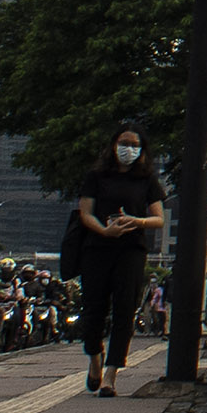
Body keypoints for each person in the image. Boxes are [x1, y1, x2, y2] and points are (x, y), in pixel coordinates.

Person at [70, 122, 164, 395]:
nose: (128, 149)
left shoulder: (147, 180)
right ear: (113, 145)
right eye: (124, 143)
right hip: (96, 249)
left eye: (135, 145)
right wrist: (104, 230)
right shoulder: (96, 176)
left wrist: (137, 221)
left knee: (125, 311)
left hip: (131, 251)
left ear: (142, 150)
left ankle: (111, 375)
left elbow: (158, 218)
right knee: (92, 311)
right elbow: (85, 213)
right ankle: (95, 358)